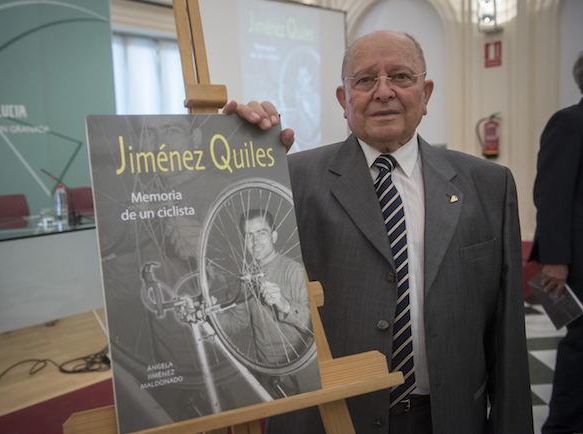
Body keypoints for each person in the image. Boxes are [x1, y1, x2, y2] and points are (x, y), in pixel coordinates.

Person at [225, 30, 532, 434]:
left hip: (448, 420)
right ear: (343, 99)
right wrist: (234, 154)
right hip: (328, 420)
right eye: (365, 79)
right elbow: (229, 255)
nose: (383, 91)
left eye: (401, 77)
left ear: (426, 92)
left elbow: (506, 338)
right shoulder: (291, 178)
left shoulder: (488, 185)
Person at [530, 51, 583, 434]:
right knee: (581, 347)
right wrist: (555, 259)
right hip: (578, 259)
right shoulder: (569, 122)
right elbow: (552, 194)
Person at [213, 209, 316, 396]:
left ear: (274, 236)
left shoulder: (294, 270)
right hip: (267, 372)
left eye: (262, 233)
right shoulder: (245, 276)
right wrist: (212, 315)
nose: (255, 241)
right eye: (249, 235)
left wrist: (284, 304)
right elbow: (238, 322)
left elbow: (315, 326)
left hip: (300, 370)